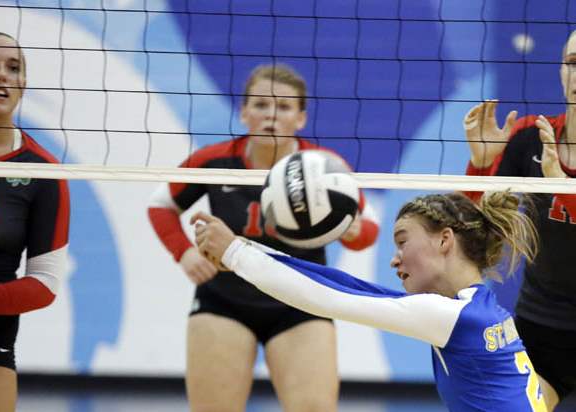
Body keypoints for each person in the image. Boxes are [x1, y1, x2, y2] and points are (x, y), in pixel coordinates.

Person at [148, 64, 379, 412]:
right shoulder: (214, 161)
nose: (271, 115)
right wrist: (184, 252)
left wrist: (354, 232)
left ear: (300, 118)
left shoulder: (322, 166)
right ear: (244, 112)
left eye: (284, 107)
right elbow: (160, 204)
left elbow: (368, 229)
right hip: (224, 301)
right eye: (260, 104)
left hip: (301, 303)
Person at [192, 190, 547, 412]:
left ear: (444, 240)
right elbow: (345, 286)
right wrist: (244, 248)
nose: (394, 259)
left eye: (402, 241)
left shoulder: (453, 317)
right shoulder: (480, 310)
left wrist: (235, 253)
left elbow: (328, 298)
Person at [462, 30, 576, 411]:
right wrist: (481, 167)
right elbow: (471, 229)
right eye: (573, 63)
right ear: (561, 71)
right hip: (543, 326)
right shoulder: (530, 137)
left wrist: (560, 184)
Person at [0, 31, 70, 411]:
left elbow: (44, 285)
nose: (2, 75)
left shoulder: (43, 171)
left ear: (23, 84)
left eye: (13, 68)